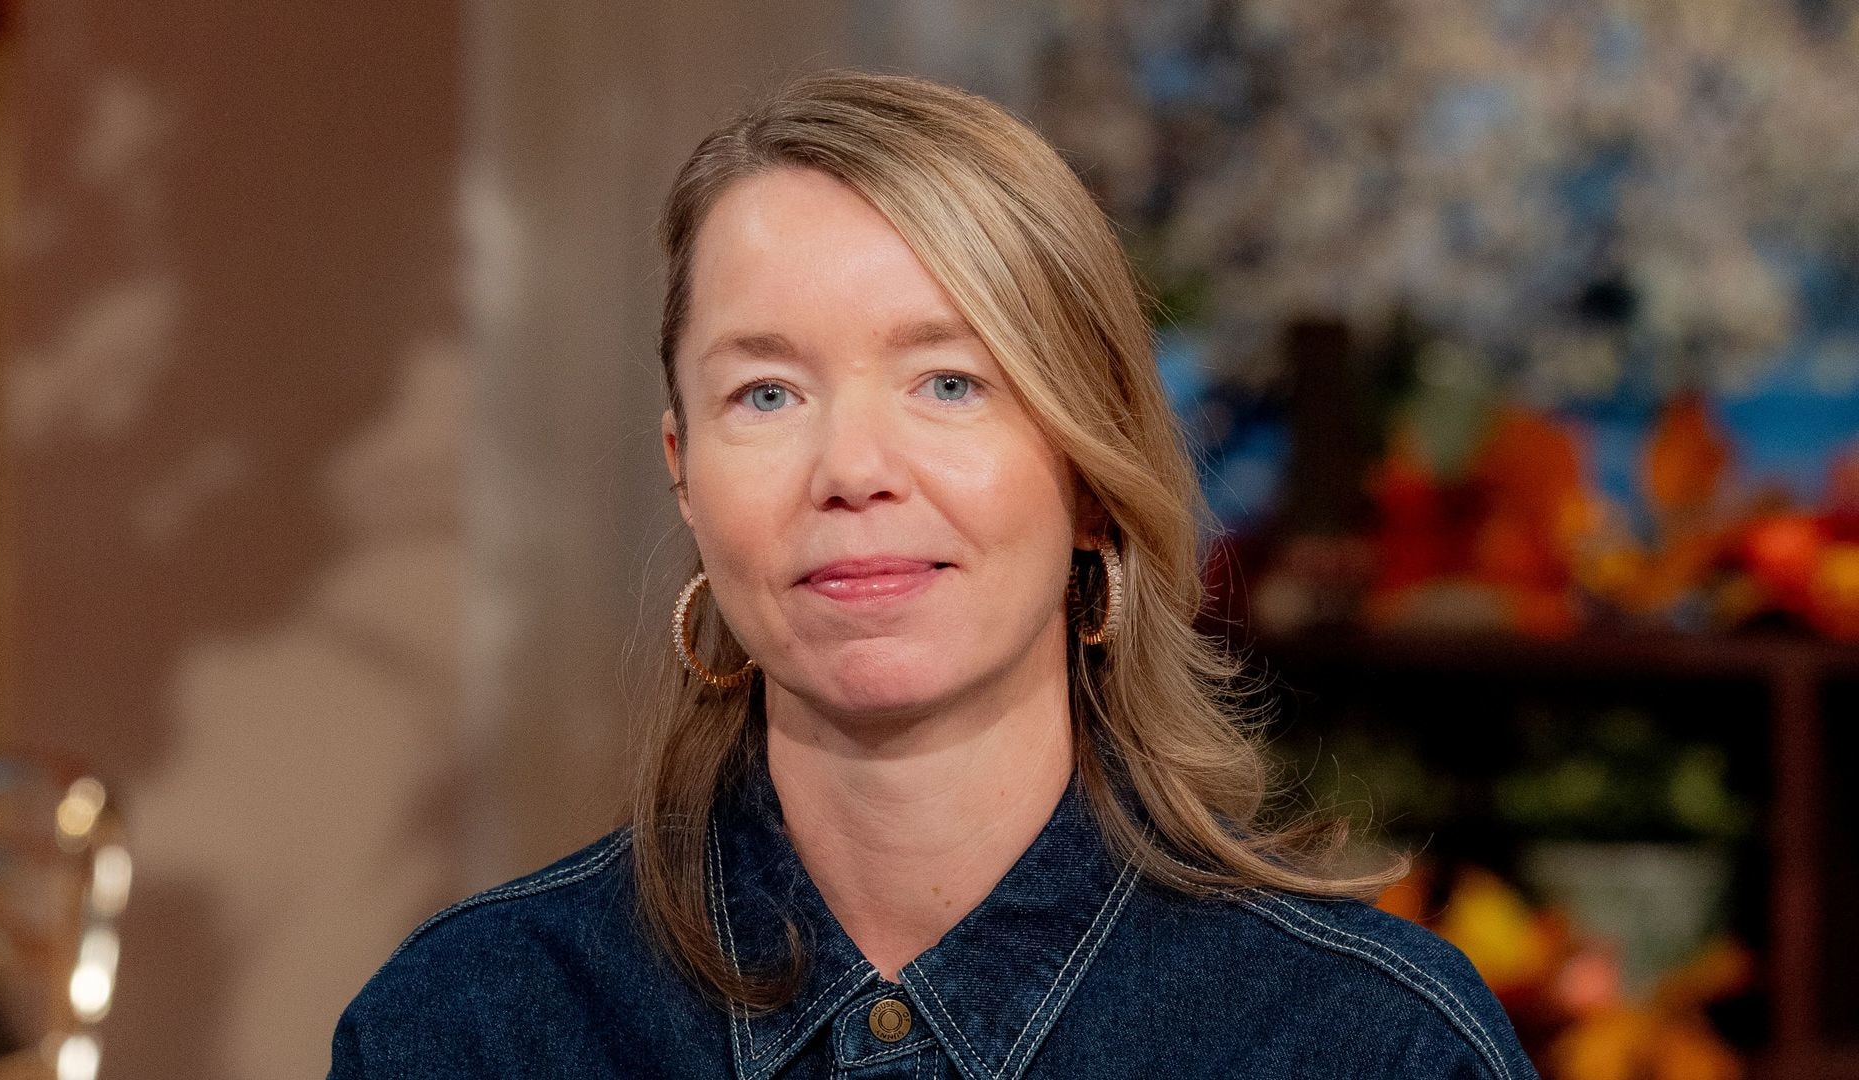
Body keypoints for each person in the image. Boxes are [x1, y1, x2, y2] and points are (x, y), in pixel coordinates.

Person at [328, 69, 1537, 1079]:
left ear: (1089, 469)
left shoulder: (1370, 1045)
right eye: (767, 392)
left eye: (948, 382)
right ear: (684, 471)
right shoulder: (465, 1028)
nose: (852, 468)